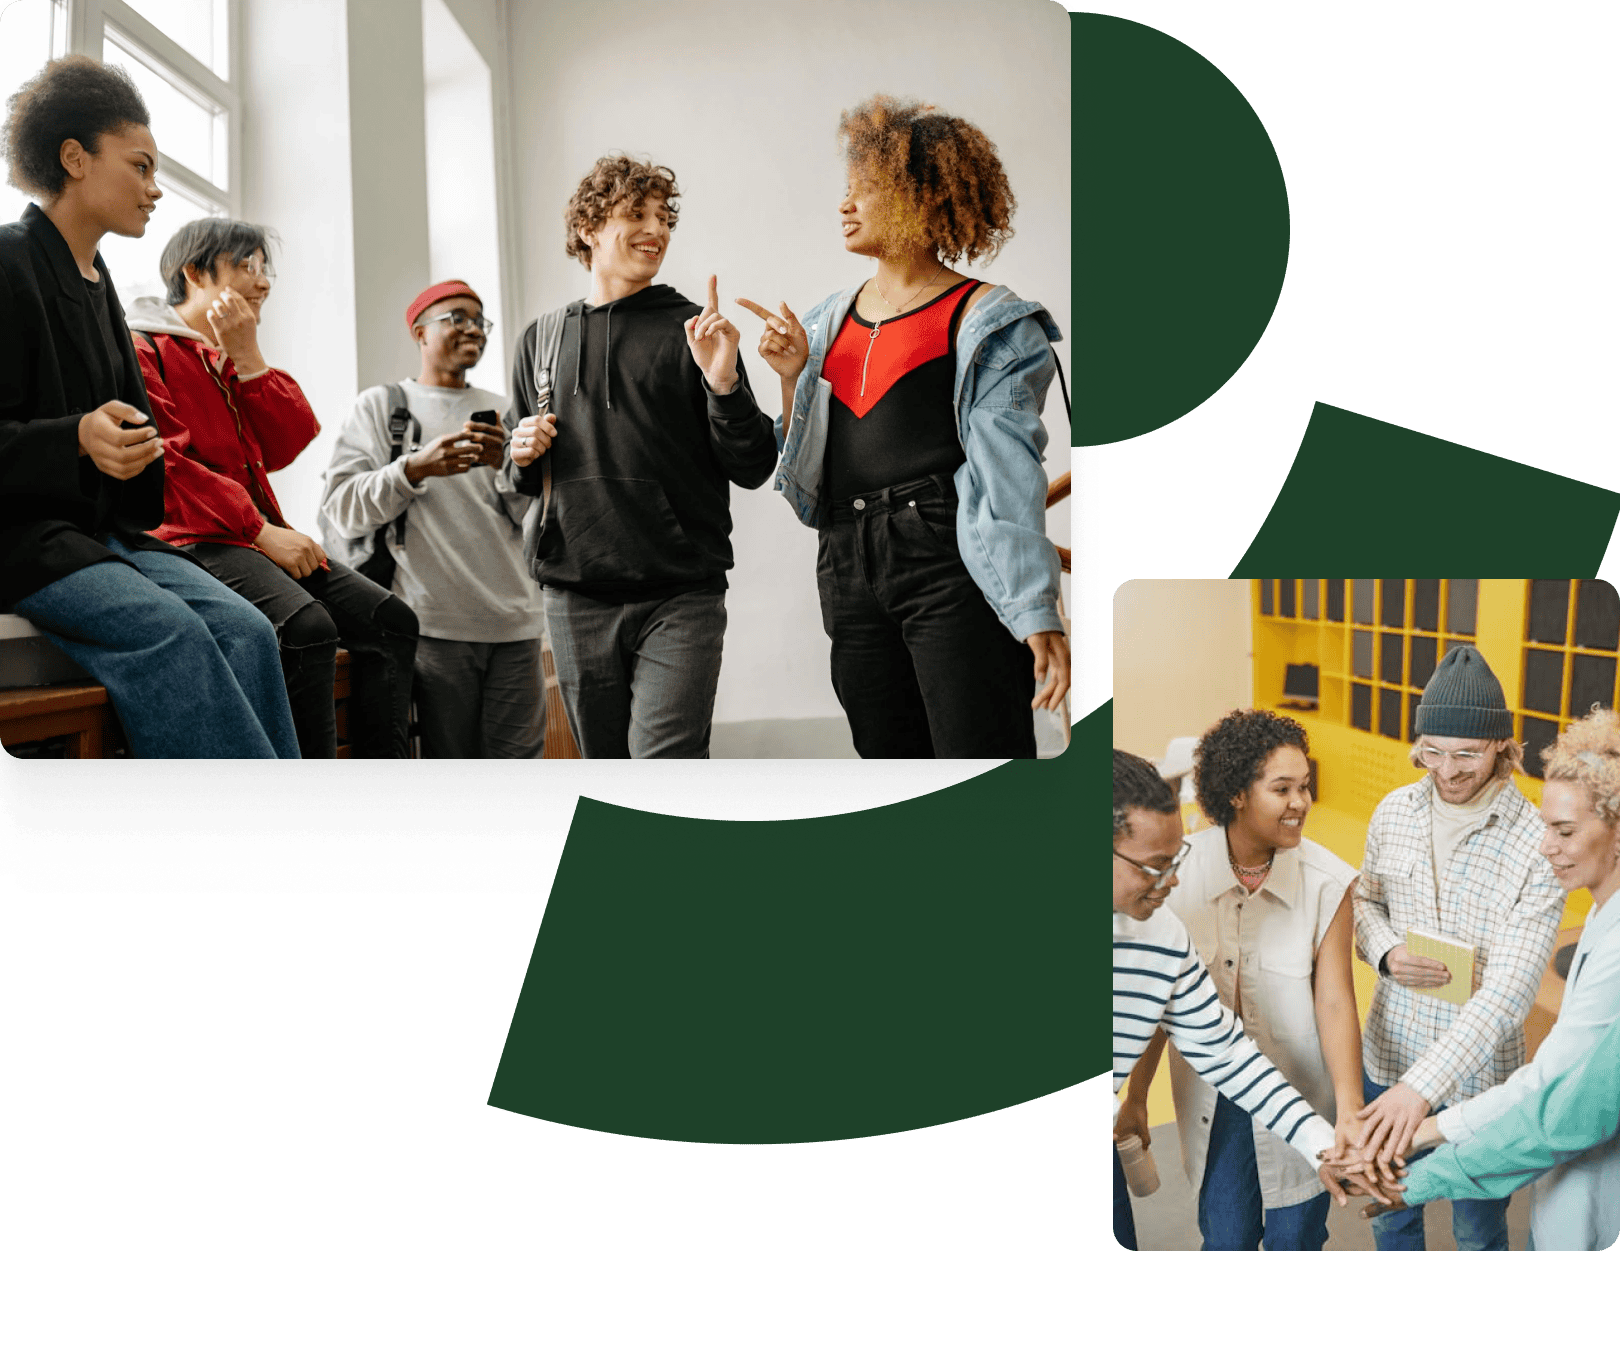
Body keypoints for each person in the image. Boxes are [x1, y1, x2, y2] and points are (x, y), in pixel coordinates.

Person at [738, 95, 1069, 759]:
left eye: (866, 190)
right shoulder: (825, 321)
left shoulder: (990, 321)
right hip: (845, 558)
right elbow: (806, 472)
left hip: (947, 558)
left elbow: (1009, 476)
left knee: (980, 755)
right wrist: (790, 375)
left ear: (924, 199)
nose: (845, 205)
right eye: (846, 190)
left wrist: (1035, 610)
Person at [0, 56, 297, 759]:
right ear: (74, 158)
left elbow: (136, 445)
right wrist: (75, 437)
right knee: (177, 632)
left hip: (99, 536)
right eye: (140, 167)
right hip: (20, 538)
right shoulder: (8, 264)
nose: (155, 189)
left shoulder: (100, 283)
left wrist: (129, 449)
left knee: (250, 628)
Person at [505, 156, 777, 759]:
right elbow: (519, 475)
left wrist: (724, 385)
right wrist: (521, 452)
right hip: (575, 594)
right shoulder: (541, 339)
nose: (655, 229)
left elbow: (754, 464)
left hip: (681, 595)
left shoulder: (694, 332)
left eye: (663, 216)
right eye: (636, 213)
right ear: (588, 229)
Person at [129, 219, 419, 759]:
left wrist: (249, 357)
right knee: (307, 626)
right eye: (247, 266)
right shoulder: (141, 347)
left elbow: (286, 443)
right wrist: (261, 532)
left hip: (254, 533)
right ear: (194, 274)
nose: (264, 283)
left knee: (391, 620)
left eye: (267, 270)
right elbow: (165, 464)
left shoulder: (223, 358)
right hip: (194, 539)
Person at [1111, 748, 1387, 1250]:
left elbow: (1224, 1050)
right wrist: (1132, 1098)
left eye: (1175, 862)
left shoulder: (1161, 935)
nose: (1172, 880)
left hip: (1288, 1091)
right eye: (1155, 866)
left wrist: (1326, 1141)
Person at [1369, 710, 1620, 1251]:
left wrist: (1424, 1151)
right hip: (1567, 1198)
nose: (1545, 845)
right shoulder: (1602, 912)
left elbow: (1553, 1100)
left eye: (1565, 831)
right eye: (1547, 826)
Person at [1352, 644, 1563, 1250]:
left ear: (1502, 744)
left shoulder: (1537, 842)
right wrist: (1387, 951)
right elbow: (1365, 902)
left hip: (1481, 1083)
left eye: (1467, 754)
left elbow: (1510, 990)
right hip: (1388, 1055)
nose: (1447, 770)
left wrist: (1420, 1089)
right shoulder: (1393, 812)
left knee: (1477, 1229)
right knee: (1392, 1214)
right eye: (1433, 752)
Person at [320, 279, 544, 759]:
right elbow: (340, 510)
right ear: (420, 333)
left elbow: (539, 521)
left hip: (517, 626)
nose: (474, 330)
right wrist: (414, 468)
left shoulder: (507, 412)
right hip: (435, 628)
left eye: (480, 321)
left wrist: (505, 470)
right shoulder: (382, 408)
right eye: (456, 318)